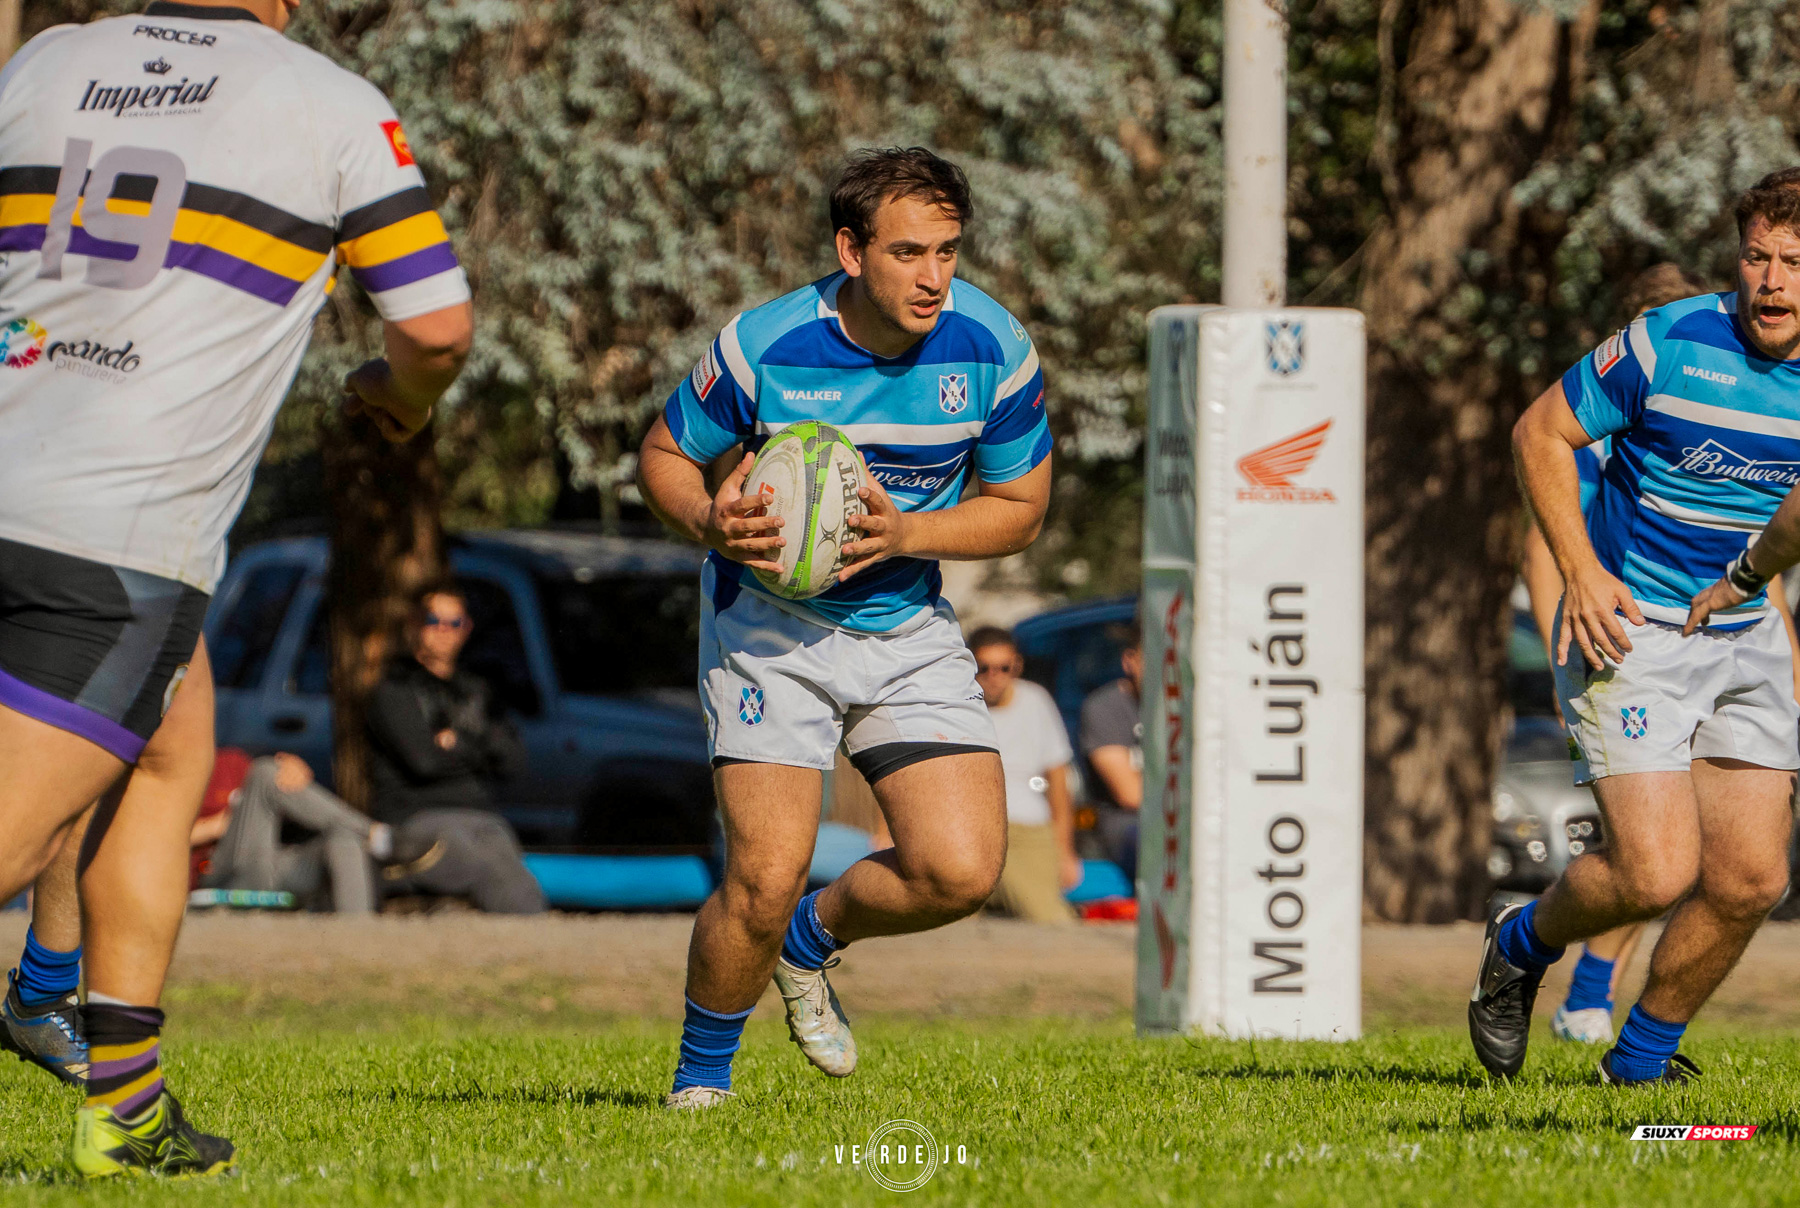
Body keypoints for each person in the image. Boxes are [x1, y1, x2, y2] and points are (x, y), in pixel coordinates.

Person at [0, 0, 471, 1176]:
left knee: (170, 746)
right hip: (113, 535)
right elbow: (438, 326)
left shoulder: (49, 57)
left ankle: (118, 1091)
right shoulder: (331, 103)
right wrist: (402, 400)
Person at [637, 146, 1051, 1109]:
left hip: (904, 624)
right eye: (909, 252)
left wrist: (912, 530)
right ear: (850, 249)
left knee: (959, 872)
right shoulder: (766, 345)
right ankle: (701, 1088)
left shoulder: (990, 345)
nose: (934, 277)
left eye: (948, 251)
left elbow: (1023, 505)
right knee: (765, 873)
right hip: (769, 630)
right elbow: (663, 455)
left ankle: (811, 944)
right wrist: (709, 520)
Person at [1472, 168, 1800, 1087]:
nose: (1771, 282)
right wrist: (1582, 572)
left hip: (1745, 631)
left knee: (1749, 882)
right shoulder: (1668, 341)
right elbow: (1539, 435)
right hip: (1635, 629)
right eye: (1757, 258)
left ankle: (1639, 1066)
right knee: (1654, 873)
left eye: (1794, 264)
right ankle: (1520, 943)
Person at [1517, 263, 1726, 1047]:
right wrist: (1562, 656)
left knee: (1702, 850)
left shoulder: (1714, 420)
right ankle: (1577, 987)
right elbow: (1549, 556)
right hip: (1616, 651)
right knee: (1651, 852)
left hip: (1710, 651)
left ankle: (1592, 999)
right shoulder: (1590, 429)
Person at [364, 584, 545, 914]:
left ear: (468, 628)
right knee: (480, 864)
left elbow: (512, 761)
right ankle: (531, 945)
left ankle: (534, 945)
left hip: (481, 817)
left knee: (507, 860)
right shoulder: (394, 691)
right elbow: (424, 763)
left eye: (455, 622)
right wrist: (480, 748)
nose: (445, 631)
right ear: (414, 624)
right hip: (418, 820)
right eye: (434, 620)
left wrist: (458, 742)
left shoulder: (476, 690)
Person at [968, 627, 1080, 924]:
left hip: (1027, 832)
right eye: (984, 668)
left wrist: (1066, 851)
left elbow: (1058, 779)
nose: (995, 675)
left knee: (1050, 919)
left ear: (1016, 666)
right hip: (971, 828)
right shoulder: (958, 704)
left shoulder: (1036, 700)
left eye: (1004, 668)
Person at [192, 750, 392, 913]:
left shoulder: (231, 762)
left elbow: (269, 789)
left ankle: (358, 937)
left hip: (269, 865)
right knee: (264, 772)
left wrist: (293, 770)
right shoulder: (168, 778)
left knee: (343, 838)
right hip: (216, 875)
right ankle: (378, 836)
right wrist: (213, 827)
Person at [1079, 624, 1143, 883]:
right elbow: (1131, 795)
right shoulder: (1103, 708)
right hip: (1127, 825)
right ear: (1129, 661)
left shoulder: (1186, 705)